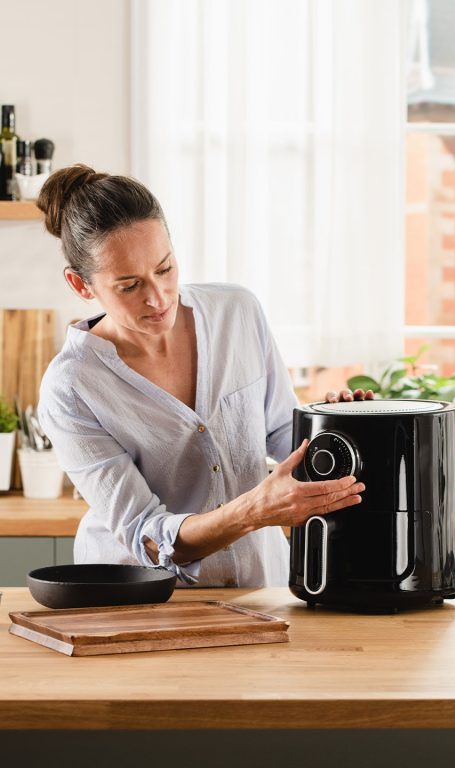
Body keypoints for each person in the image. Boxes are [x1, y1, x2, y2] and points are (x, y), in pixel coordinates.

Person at [36, 164, 368, 587]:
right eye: (129, 285)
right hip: (138, 601)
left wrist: (338, 431)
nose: (157, 298)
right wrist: (252, 512)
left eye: (165, 268)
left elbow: (285, 433)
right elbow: (148, 537)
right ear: (82, 286)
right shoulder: (71, 387)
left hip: (258, 588)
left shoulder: (237, 312)